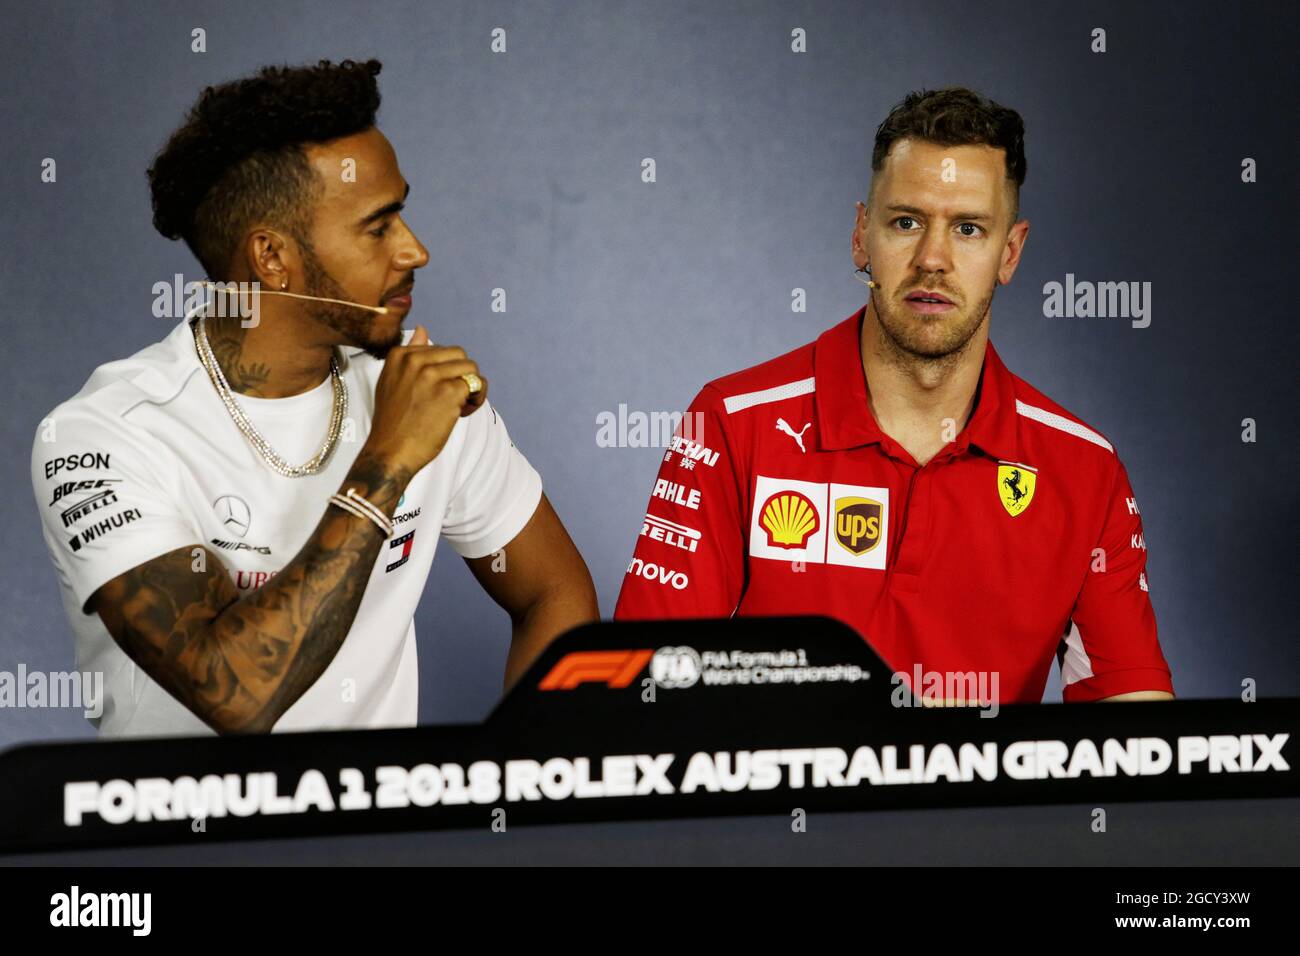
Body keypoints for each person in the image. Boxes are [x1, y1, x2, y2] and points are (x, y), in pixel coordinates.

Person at [30, 59, 597, 737]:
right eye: (377, 227)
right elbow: (235, 695)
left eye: (403, 215)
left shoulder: (418, 392)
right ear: (272, 258)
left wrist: (523, 776)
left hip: (379, 841)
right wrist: (388, 459)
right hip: (181, 843)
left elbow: (553, 593)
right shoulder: (104, 437)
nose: (416, 250)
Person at [614, 87, 1173, 705]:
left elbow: (1134, 731)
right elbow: (650, 694)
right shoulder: (730, 424)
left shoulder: (1085, 471)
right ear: (862, 236)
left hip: (984, 807)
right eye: (906, 222)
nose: (932, 259)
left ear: (1008, 253)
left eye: (968, 228)